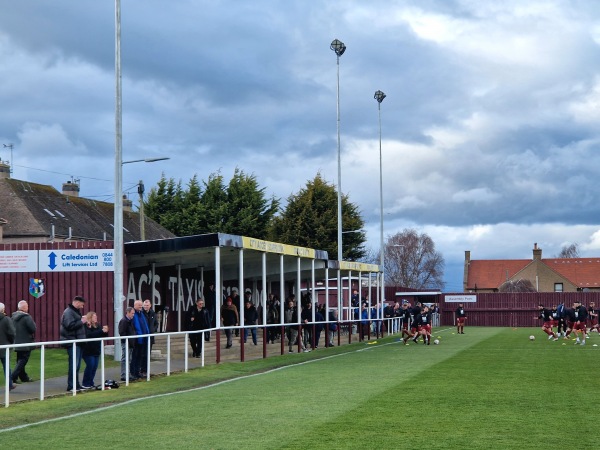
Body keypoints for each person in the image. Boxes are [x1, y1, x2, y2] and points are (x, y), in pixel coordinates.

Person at [60, 295, 87, 392]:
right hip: (72, 342)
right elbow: (69, 325)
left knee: (77, 365)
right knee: (73, 365)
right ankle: (71, 386)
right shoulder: (68, 312)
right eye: (82, 305)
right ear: (77, 302)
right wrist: (81, 321)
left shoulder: (74, 312)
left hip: (78, 342)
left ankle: (76, 385)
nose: (82, 307)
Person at [11, 300, 36, 384]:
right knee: (23, 360)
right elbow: (33, 329)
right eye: (27, 306)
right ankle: (12, 377)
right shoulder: (27, 317)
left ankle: (23, 377)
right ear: (25, 308)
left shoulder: (13, 317)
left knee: (20, 360)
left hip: (17, 342)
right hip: (26, 342)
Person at [81, 311, 109, 389]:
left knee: (94, 367)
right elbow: (89, 335)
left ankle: (91, 382)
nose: (96, 318)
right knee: (90, 365)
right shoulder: (85, 326)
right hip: (88, 350)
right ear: (90, 317)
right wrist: (101, 331)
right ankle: (85, 383)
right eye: (94, 316)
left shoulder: (97, 325)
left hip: (96, 349)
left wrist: (105, 331)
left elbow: (101, 335)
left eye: (96, 316)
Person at [131, 300, 150, 378]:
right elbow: (136, 327)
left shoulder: (141, 314)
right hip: (137, 339)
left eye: (141, 305)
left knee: (140, 356)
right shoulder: (134, 314)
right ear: (135, 305)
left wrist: (147, 334)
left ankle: (137, 372)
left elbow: (145, 325)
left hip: (143, 338)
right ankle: (133, 372)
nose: (140, 306)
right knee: (135, 356)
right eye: (139, 305)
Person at [0, 302, 16, 390]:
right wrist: (10, 342)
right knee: (6, 367)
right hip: (5, 347)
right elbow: (12, 333)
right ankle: (9, 384)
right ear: (3, 310)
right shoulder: (6, 319)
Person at [118, 307, 137, 381]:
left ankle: (127, 374)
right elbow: (122, 332)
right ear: (128, 312)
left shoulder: (130, 321)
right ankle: (124, 375)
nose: (133, 315)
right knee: (125, 359)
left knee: (129, 359)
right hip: (126, 342)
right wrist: (128, 339)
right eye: (132, 313)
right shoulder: (124, 321)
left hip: (131, 342)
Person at [141, 299, 158, 369]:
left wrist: (153, 330)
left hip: (150, 337)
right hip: (143, 337)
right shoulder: (141, 313)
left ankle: (146, 370)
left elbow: (156, 323)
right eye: (144, 305)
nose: (146, 307)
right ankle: (142, 369)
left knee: (148, 354)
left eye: (147, 305)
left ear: (150, 305)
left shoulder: (153, 313)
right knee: (142, 354)